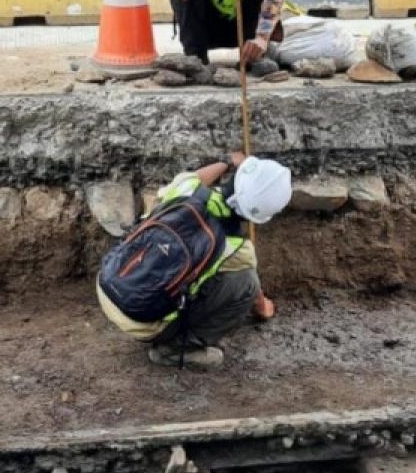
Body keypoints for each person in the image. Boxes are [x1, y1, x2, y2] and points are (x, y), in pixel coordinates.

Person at [96, 152, 291, 369]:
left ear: (237, 176)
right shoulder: (238, 248)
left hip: (107, 285)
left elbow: (196, 177)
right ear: (260, 216)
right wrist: (264, 309)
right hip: (143, 325)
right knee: (248, 284)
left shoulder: (185, 190)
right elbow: (256, 299)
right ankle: (175, 350)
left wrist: (227, 162)